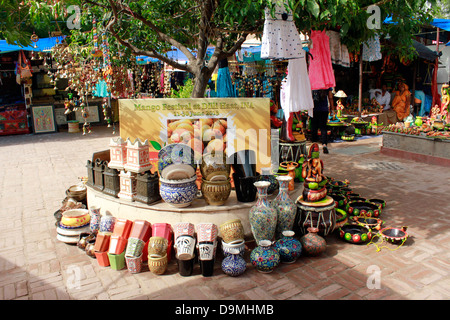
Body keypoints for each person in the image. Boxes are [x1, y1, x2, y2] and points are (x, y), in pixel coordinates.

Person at [311, 88, 334, 154]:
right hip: (324, 109)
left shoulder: (313, 82)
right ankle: (324, 145)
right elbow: (330, 97)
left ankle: (314, 146)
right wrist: (332, 109)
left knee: (314, 127)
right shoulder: (326, 83)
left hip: (314, 109)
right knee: (323, 127)